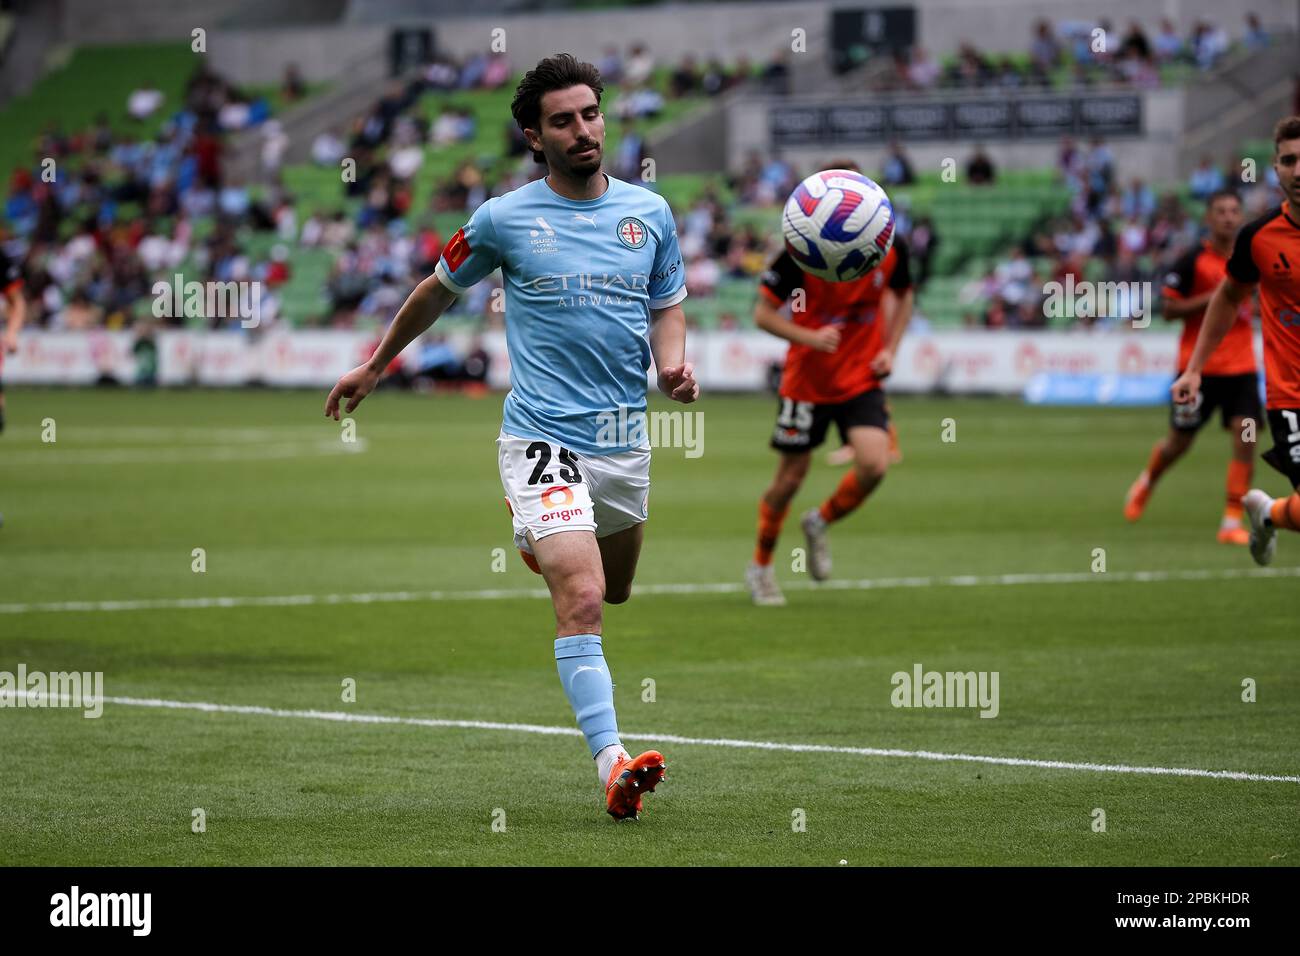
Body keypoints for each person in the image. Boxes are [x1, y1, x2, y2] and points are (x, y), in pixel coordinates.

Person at [325, 54, 695, 821]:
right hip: (541, 438)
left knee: (617, 588)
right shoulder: (503, 219)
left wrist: (672, 366)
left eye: (591, 112)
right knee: (584, 596)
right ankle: (612, 764)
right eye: (564, 120)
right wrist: (376, 364)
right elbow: (436, 290)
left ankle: (539, 537)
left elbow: (668, 304)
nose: (584, 129)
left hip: (623, 438)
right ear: (535, 135)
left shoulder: (649, 214)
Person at [746, 165, 913, 606]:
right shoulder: (797, 254)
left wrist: (891, 349)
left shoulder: (888, 245)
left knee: (875, 465)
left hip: (861, 376)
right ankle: (761, 567)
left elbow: (905, 293)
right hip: (807, 382)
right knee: (789, 479)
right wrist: (810, 337)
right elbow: (762, 315)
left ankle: (820, 520)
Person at [1172, 116, 1300, 564]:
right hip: (1291, 396)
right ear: (1276, 168)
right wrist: (1193, 369)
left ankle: (1268, 513)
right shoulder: (1258, 238)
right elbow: (1228, 298)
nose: (1299, 170)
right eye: (1290, 161)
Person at [1124, 191, 1258, 543]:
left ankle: (1231, 521)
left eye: (1234, 211)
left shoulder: (1253, 256)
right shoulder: (1191, 260)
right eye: (1221, 212)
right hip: (1197, 370)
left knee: (1246, 434)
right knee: (1178, 444)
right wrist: (1218, 299)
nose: (1229, 217)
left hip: (1242, 366)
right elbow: (1168, 310)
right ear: (1209, 219)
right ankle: (1147, 480)